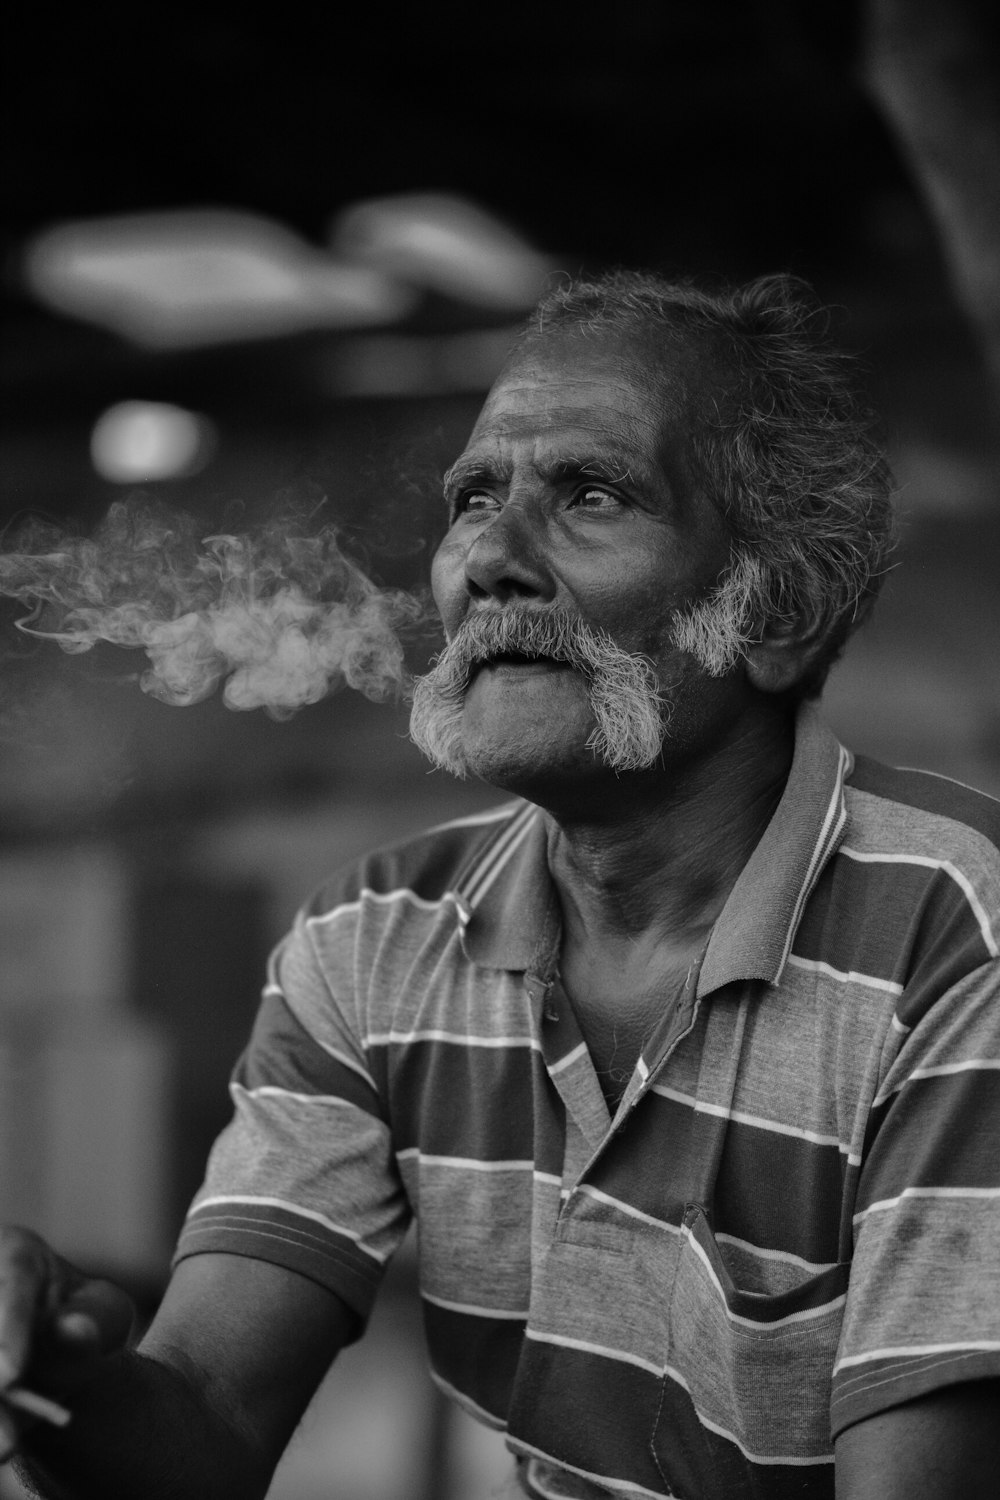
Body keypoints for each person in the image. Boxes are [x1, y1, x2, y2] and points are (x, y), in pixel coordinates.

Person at [1, 269, 999, 1500]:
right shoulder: (375, 938)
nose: (489, 561)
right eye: (474, 498)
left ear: (776, 610)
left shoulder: (957, 938)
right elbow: (203, 1415)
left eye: (591, 494)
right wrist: (53, 1374)